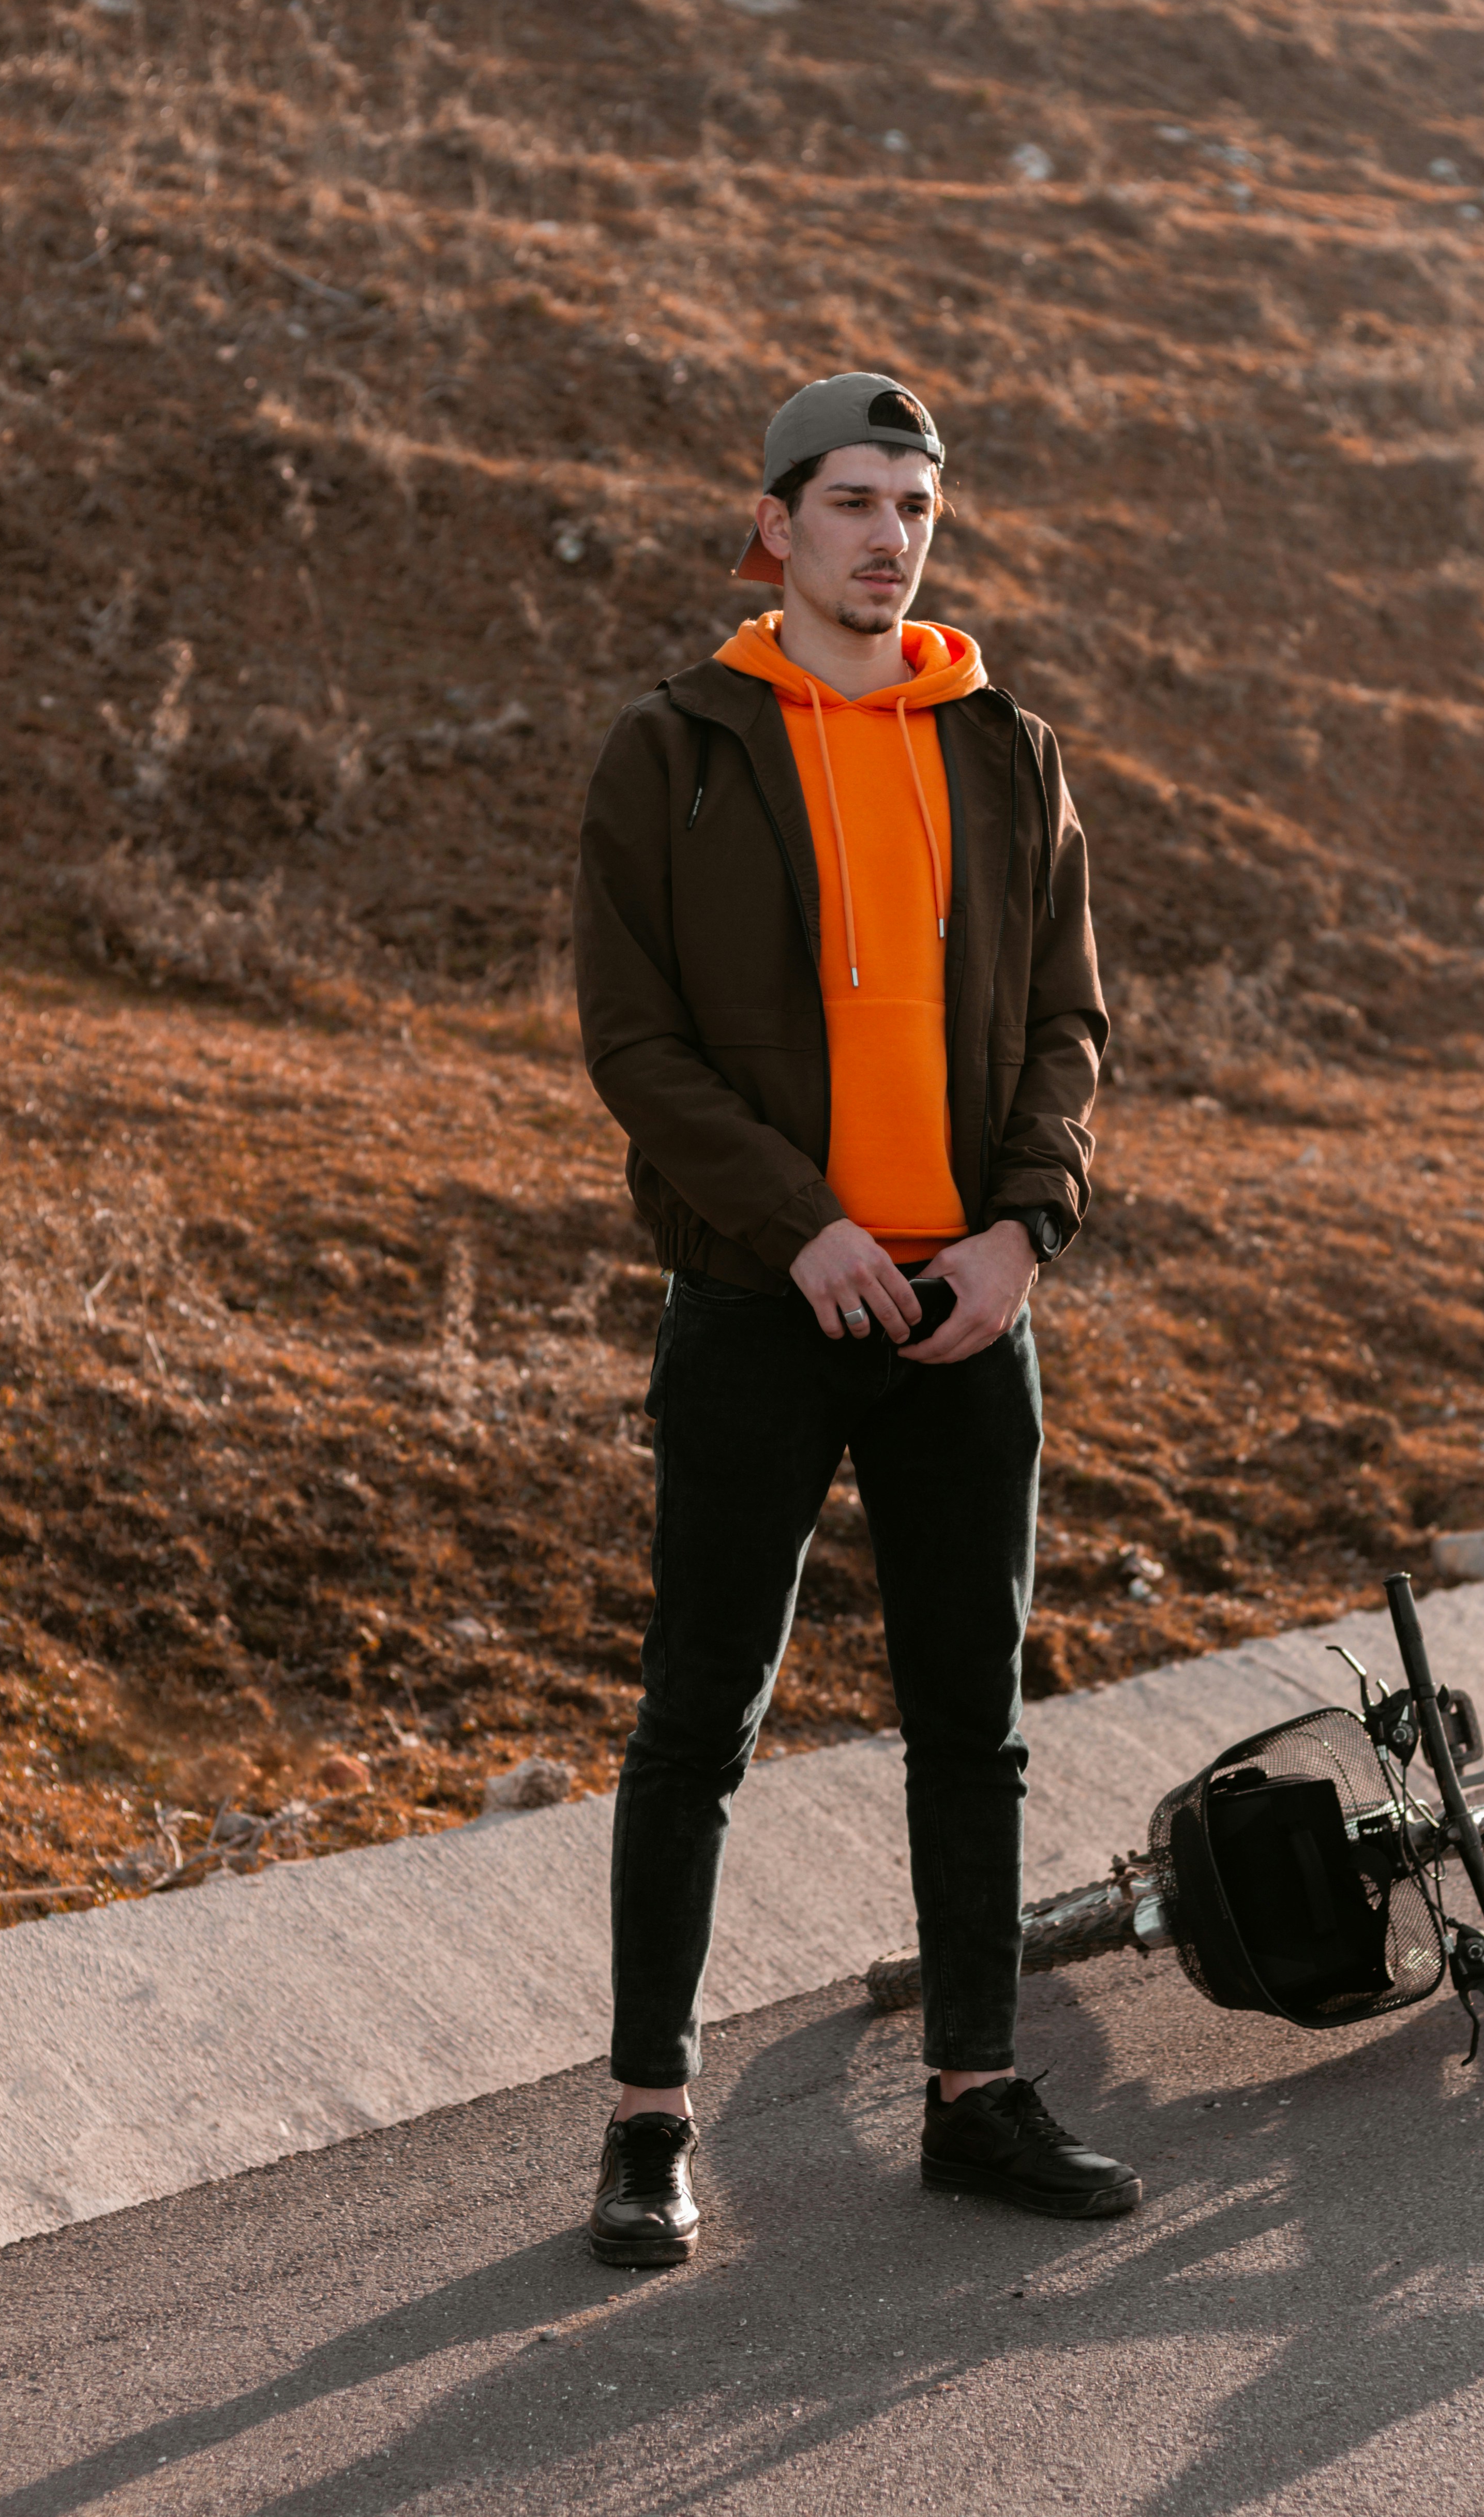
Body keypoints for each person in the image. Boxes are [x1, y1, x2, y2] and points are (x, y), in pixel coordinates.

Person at [572, 370, 1137, 2266]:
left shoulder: (1010, 750)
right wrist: (800, 1226)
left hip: (966, 1317)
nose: (891, 538)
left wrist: (1021, 1236)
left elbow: (1069, 1029)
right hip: (758, 1305)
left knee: (972, 1724)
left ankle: (977, 2092)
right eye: (853, 504)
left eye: (915, 505)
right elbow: (635, 1046)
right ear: (777, 525)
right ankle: (648, 2121)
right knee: (697, 1719)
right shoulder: (678, 749)